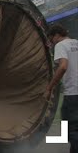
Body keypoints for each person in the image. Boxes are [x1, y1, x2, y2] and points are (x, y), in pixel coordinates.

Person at [46, 24, 78, 153]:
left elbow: (63, 66)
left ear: (57, 35)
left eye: (51, 39)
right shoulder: (76, 42)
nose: (52, 43)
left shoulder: (61, 45)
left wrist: (50, 87)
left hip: (73, 94)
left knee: (69, 129)